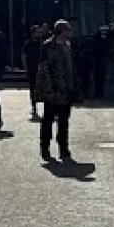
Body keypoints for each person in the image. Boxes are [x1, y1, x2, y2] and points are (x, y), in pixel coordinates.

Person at [35, 20, 78, 162]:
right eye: (68, 30)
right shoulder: (48, 46)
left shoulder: (68, 46)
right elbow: (43, 69)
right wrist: (47, 89)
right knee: (48, 120)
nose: (70, 33)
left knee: (64, 121)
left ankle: (63, 149)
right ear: (61, 31)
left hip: (67, 89)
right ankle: (45, 148)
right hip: (53, 89)